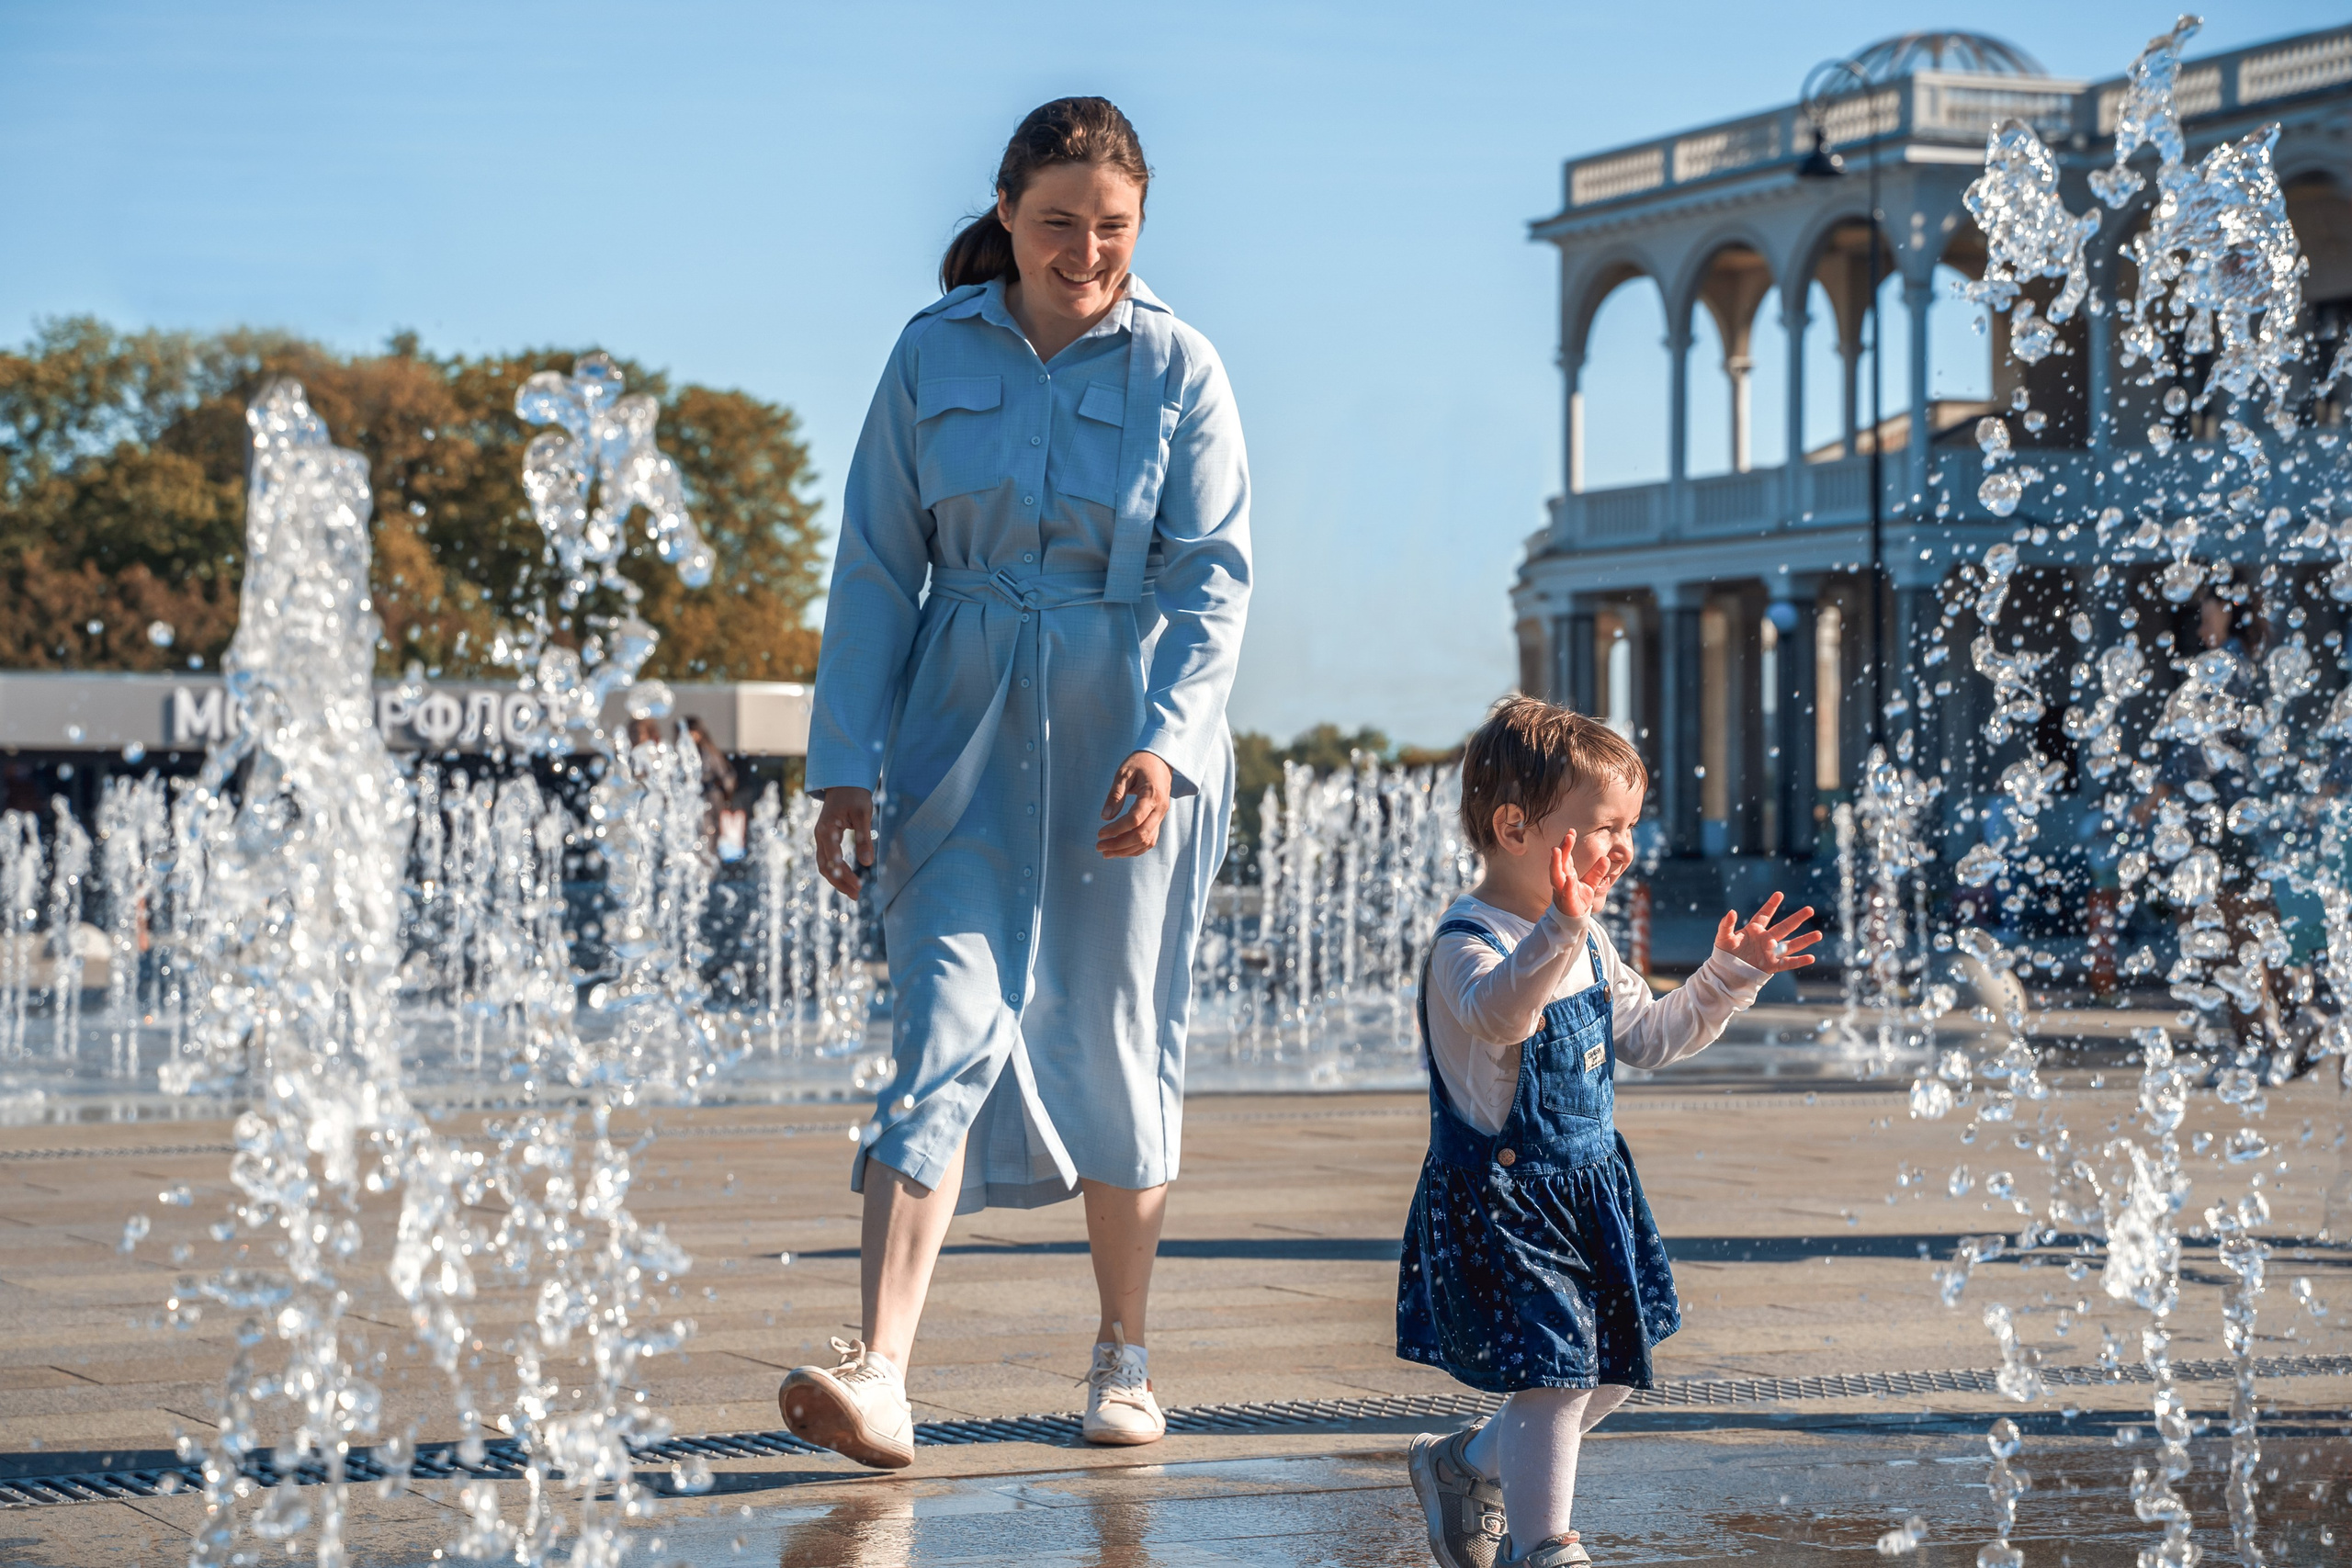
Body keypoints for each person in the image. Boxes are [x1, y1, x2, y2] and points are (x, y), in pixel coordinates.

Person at [781, 96, 1250, 1469]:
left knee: (1116, 1033)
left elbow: (1213, 582)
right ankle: (881, 1370)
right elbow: (875, 564)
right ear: (1006, 213)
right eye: (1057, 222)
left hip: (1131, 731)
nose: (1084, 250)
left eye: (1111, 227)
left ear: (1140, 227)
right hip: (959, 722)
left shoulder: (1184, 367)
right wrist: (845, 767)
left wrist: (1165, 743)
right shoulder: (928, 356)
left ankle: (1124, 1355)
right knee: (941, 1020)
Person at [1399, 697, 1818, 1568]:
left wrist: (1727, 977)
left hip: (1591, 1188)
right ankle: (1544, 1543)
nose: (1624, 846)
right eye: (1603, 826)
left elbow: (1649, 1037)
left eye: (1630, 824)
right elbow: (1499, 1015)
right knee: (1554, 1376)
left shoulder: (1587, 941)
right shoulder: (1466, 942)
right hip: (1506, 1200)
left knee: (1614, 1367)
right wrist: (1558, 925)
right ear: (1517, 826)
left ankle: (1465, 1465)